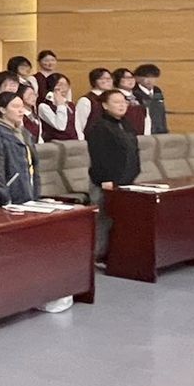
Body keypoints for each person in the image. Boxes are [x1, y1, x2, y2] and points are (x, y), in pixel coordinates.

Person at [85, 88, 141, 258]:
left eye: (124, 102)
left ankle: (115, 256)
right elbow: (99, 156)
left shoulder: (126, 124)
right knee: (103, 220)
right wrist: (106, 179)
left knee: (121, 220)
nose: (121, 105)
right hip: (105, 182)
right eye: (116, 102)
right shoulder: (100, 127)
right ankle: (96, 256)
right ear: (105, 105)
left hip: (126, 180)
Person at [0, 91, 39, 204]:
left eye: (22, 107)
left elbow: (34, 163)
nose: (21, 111)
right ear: (2, 110)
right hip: (11, 192)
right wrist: (4, 196)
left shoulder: (24, 132)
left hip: (28, 188)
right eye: (16, 107)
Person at [133, 64, 168, 133]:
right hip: (144, 131)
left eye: (153, 77)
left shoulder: (157, 91)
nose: (149, 80)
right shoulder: (134, 92)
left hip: (159, 130)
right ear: (137, 78)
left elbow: (162, 113)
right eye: (146, 77)